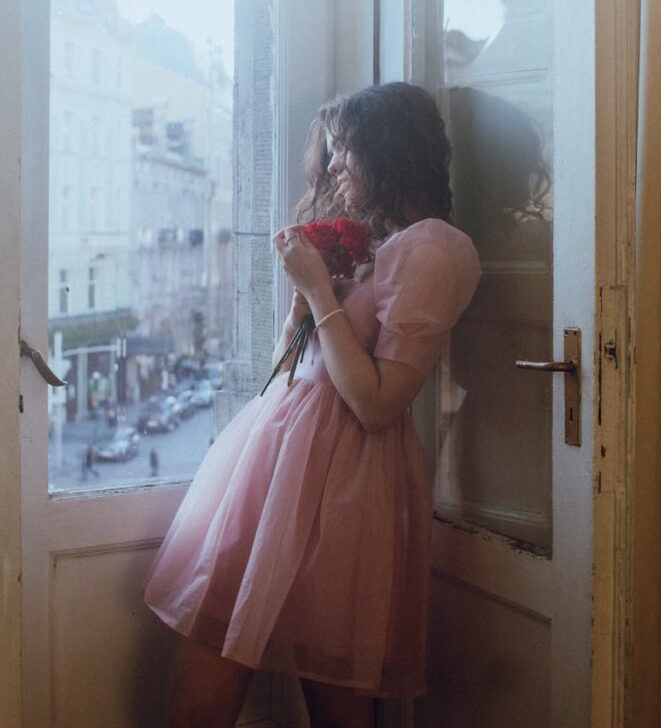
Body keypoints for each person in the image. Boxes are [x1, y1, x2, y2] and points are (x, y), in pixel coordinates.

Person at [143, 82, 481, 728]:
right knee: (196, 702)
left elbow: (378, 403)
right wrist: (305, 300)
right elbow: (290, 371)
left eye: (341, 151)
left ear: (385, 152)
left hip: (345, 489)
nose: (329, 168)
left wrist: (321, 292)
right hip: (275, 475)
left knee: (334, 707)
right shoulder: (376, 246)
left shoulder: (434, 248)